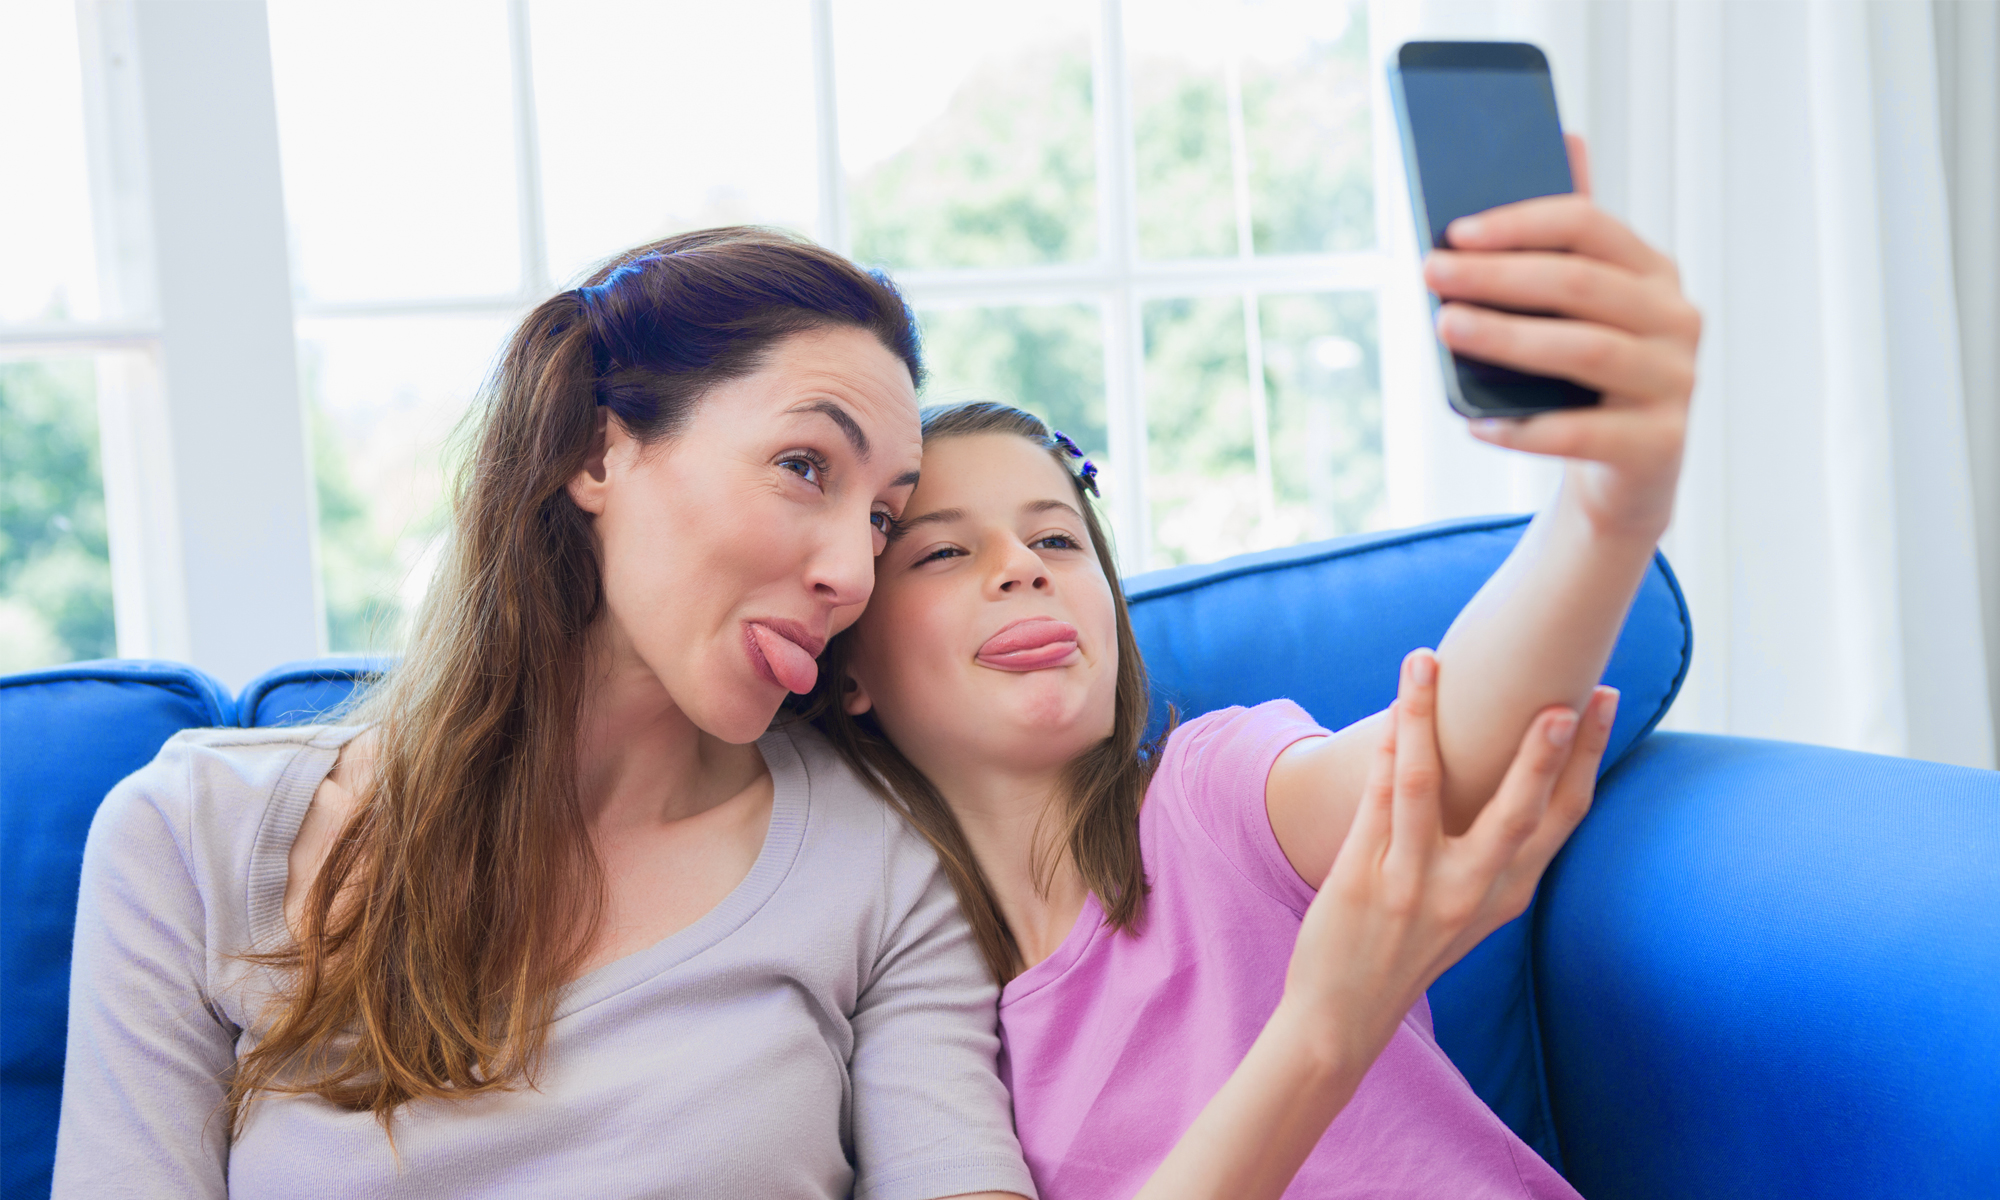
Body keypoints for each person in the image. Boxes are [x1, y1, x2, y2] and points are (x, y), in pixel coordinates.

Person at [52, 228, 1041, 1199]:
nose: (852, 573)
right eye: (804, 465)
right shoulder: (190, 836)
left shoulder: (882, 862)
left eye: (881, 518)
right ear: (596, 453)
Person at [807, 141, 1699, 1198]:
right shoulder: (919, 1028)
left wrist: (1604, 510)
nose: (1022, 568)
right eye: (945, 553)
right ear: (849, 669)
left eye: (1055, 539)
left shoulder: (1209, 795)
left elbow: (1441, 753)